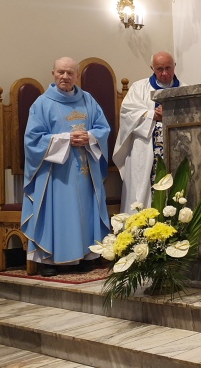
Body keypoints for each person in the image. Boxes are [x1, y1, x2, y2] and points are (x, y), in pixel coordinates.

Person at [21, 57, 111, 276]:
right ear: (53, 73)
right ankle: (50, 259)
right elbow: (32, 139)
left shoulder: (88, 100)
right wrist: (64, 139)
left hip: (85, 169)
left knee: (85, 211)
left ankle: (84, 255)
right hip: (55, 174)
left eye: (70, 73)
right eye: (61, 72)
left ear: (77, 76)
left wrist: (90, 137)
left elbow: (103, 129)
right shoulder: (42, 104)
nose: (65, 76)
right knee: (59, 213)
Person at [113, 51, 183, 211]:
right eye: (159, 69)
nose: (164, 73)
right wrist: (152, 115)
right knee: (142, 197)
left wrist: (172, 115)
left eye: (168, 68)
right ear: (152, 68)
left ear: (174, 66)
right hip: (144, 149)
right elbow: (127, 114)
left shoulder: (186, 89)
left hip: (177, 149)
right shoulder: (139, 88)